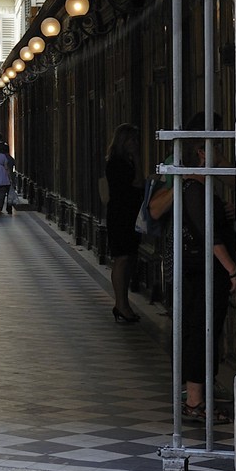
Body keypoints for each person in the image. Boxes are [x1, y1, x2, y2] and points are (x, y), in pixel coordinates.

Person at [149, 112, 236, 421]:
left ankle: (197, 398)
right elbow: (207, 234)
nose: (223, 157)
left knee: (197, 332)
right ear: (201, 153)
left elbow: (232, 177)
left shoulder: (198, 188)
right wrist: (233, 270)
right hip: (201, 270)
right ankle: (196, 401)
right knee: (202, 333)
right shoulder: (192, 188)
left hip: (195, 269)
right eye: (217, 148)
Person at [104, 122, 143, 324]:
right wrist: (137, 159)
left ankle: (123, 303)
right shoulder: (117, 163)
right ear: (122, 141)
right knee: (122, 258)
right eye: (131, 139)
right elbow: (137, 183)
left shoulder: (124, 161)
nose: (135, 143)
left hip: (129, 214)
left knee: (128, 257)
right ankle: (120, 303)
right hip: (121, 215)